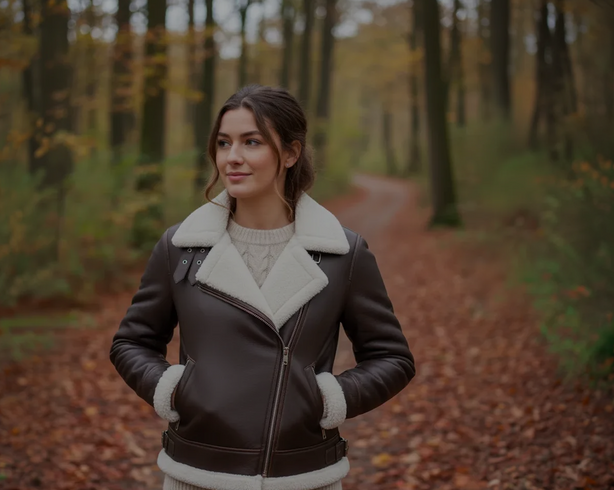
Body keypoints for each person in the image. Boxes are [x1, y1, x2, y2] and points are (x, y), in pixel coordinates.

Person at [109, 84, 416, 490]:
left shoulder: (344, 253)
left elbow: (393, 358)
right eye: (223, 143)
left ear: (290, 153)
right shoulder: (180, 245)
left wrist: (327, 398)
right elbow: (130, 342)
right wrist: (173, 389)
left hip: (303, 476)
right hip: (197, 472)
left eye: (251, 142)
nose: (232, 157)